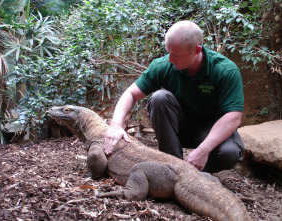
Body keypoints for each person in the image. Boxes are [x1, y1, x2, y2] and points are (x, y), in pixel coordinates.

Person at [103, 20, 245, 173]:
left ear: (197, 50)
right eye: (168, 52)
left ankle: (194, 172)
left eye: (176, 55)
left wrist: (203, 150)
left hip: (210, 130)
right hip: (179, 128)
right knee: (159, 98)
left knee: (229, 154)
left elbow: (233, 117)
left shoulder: (225, 70)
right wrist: (116, 125)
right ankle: (171, 168)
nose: (170, 59)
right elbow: (130, 93)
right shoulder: (163, 66)